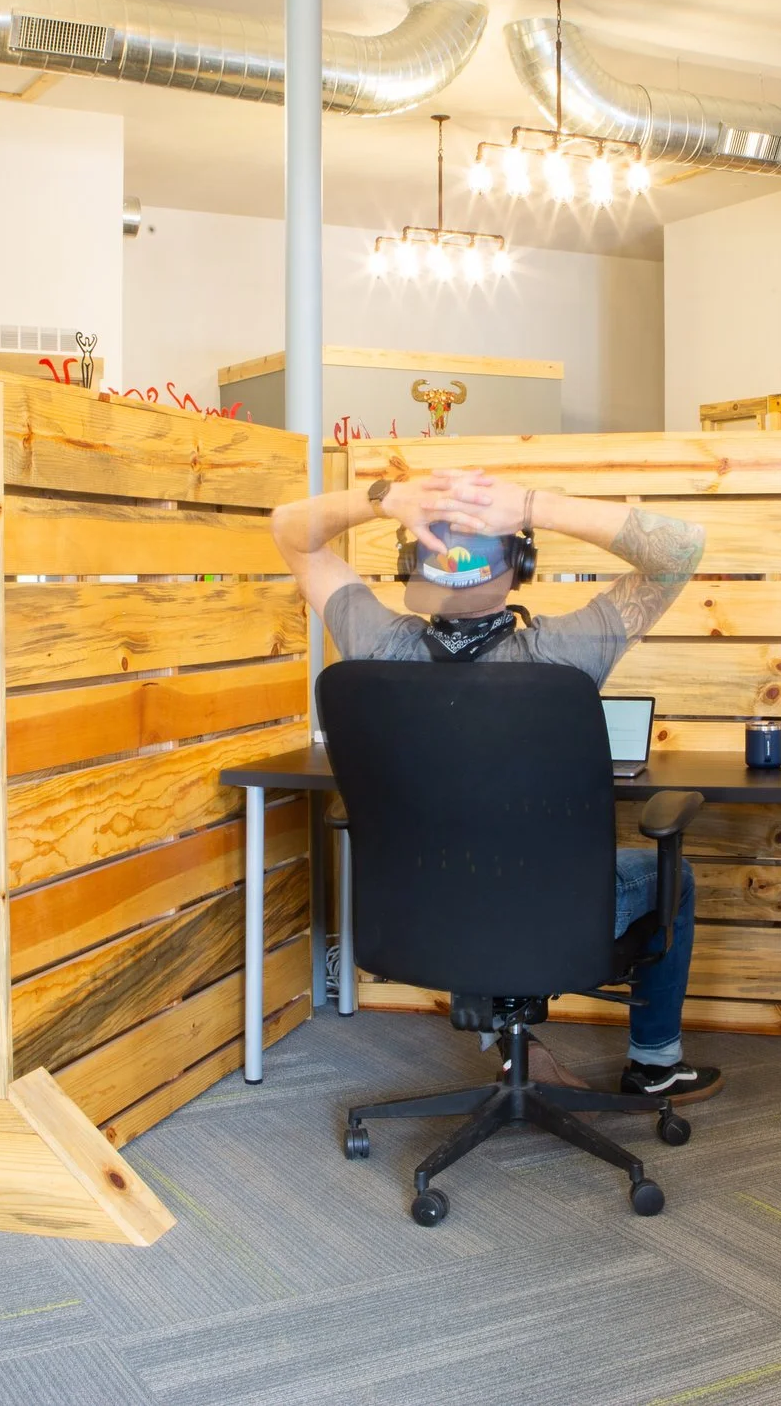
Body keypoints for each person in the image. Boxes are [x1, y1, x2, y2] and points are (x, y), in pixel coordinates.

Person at [270, 466, 720, 1102]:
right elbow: (679, 548)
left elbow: (288, 531)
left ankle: (512, 1045)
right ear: (522, 565)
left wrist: (384, 500)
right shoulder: (565, 653)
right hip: (556, 917)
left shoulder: (373, 643)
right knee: (672, 875)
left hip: (418, 911)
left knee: (460, 857)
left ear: (412, 567)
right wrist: (533, 502)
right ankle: (655, 1063)